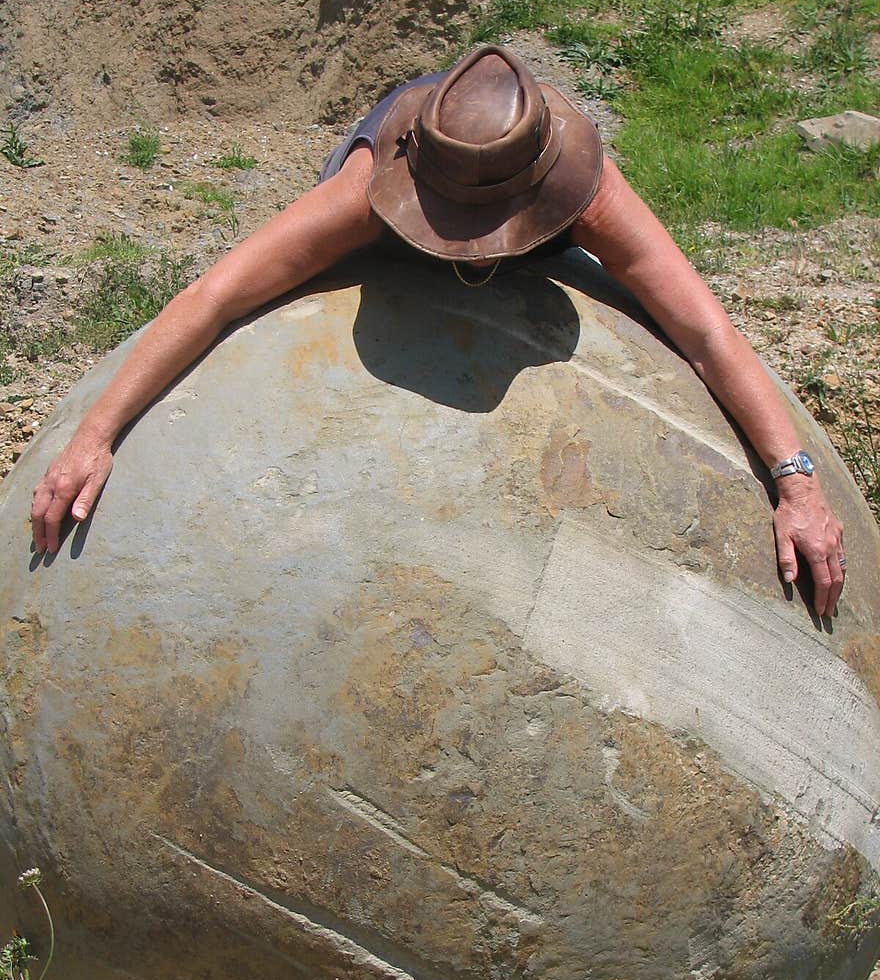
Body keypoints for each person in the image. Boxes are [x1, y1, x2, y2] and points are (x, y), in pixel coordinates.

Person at [30, 44, 846, 615]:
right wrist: (96, 433)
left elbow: (703, 332)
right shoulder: (367, 186)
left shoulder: (583, 187)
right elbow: (218, 296)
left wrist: (796, 481)